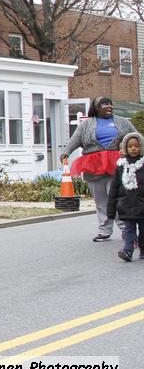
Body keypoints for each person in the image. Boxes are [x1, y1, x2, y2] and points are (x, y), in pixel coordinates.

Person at [62, 96, 139, 242]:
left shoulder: (123, 122)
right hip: (93, 164)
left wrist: (133, 151)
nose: (109, 107)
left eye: (110, 105)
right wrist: (66, 152)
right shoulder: (86, 125)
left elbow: (136, 137)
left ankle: (125, 229)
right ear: (97, 108)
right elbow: (74, 140)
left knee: (116, 197)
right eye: (105, 105)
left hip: (116, 164)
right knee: (100, 199)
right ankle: (104, 230)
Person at [107, 133, 144, 262]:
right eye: (130, 146)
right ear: (125, 148)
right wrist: (111, 210)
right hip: (126, 206)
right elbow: (114, 189)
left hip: (142, 205)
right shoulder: (121, 166)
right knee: (129, 230)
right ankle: (127, 250)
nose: (133, 148)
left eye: (136, 146)